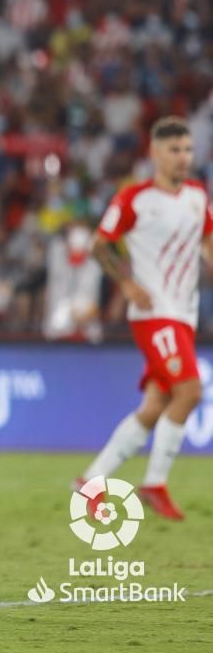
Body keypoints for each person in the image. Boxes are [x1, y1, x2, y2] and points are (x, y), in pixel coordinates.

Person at [77, 117, 211, 520]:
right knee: (189, 391)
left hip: (183, 314)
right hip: (154, 314)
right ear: (155, 153)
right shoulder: (134, 199)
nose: (183, 157)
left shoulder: (197, 195)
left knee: (156, 405)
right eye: (174, 150)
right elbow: (100, 246)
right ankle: (155, 484)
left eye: (187, 149)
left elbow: (207, 240)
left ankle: (91, 481)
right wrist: (127, 284)